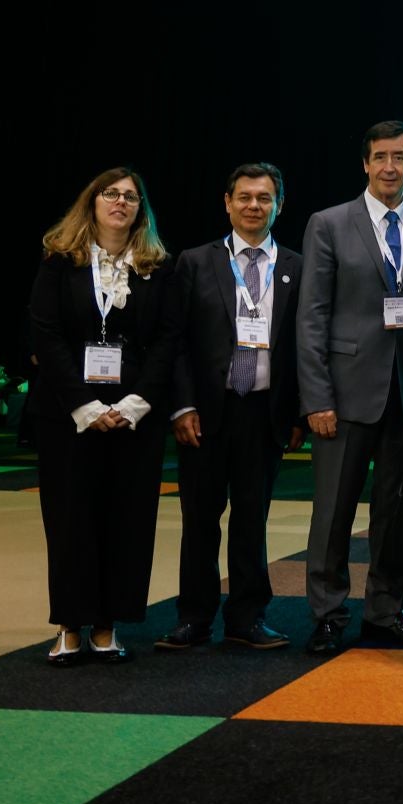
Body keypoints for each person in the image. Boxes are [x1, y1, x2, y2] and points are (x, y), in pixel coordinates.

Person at [297, 121, 403, 655]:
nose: (389, 167)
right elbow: (311, 316)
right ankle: (328, 615)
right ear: (365, 163)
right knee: (332, 513)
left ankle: (385, 611)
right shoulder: (329, 224)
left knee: (396, 514)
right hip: (344, 394)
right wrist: (316, 397)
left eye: (399, 157)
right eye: (380, 156)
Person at [27, 168, 177, 665]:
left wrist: (132, 406)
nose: (120, 203)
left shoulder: (158, 266)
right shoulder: (59, 262)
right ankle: (70, 624)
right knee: (70, 520)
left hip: (136, 416)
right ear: (92, 203)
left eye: (131, 197)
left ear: (141, 209)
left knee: (126, 520)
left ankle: (108, 626)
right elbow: (46, 337)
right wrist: (87, 408)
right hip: (69, 414)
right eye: (111, 194)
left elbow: (166, 343)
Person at [156, 163, 303, 653]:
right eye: (244, 197)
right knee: (200, 519)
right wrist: (181, 407)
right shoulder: (195, 262)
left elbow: (305, 347)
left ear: (279, 204)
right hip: (205, 414)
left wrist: (299, 412)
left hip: (264, 413)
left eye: (264, 197)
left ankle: (247, 618)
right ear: (227, 202)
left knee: (251, 521)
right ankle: (194, 618)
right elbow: (174, 342)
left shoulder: (296, 269)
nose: (253, 206)